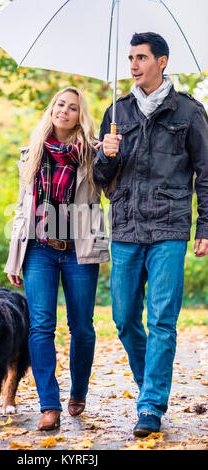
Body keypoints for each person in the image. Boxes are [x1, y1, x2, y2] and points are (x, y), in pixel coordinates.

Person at [93, 32, 208, 437]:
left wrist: (205, 226)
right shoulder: (116, 112)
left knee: (162, 319)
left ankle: (151, 405)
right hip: (125, 226)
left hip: (170, 228)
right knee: (124, 319)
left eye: (141, 57)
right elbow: (101, 179)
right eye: (130, 58)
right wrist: (104, 156)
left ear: (162, 61)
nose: (133, 65)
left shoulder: (190, 113)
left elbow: (206, 174)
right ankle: (150, 389)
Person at [4, 87, 109, 431]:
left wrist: (110, 155)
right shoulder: (31, 152)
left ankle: (78, 391)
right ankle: (49, 405)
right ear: (52, 109)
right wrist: (14, 257)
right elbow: (22, 207)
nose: (64, 110)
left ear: (81, 115)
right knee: (41, 326)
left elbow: (110, 187)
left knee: (81, 328)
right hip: (39, 249)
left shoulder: (92, 154)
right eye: (60, 104)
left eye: (73, 107)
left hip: (79, 250)